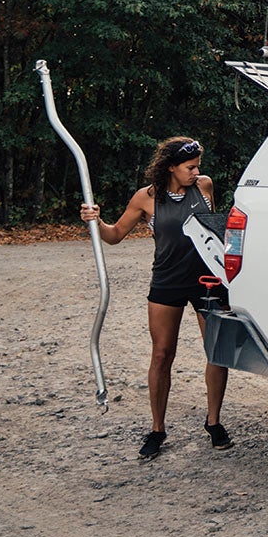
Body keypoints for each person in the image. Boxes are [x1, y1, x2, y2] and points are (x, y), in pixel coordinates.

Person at [80, 137, 232, 459]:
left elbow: (212, 234)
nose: (196, 171)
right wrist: (96, 221)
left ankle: (214, 422)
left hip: (208, 280)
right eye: (190, 167)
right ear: (171, 167)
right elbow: (115, 236)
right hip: (167, 281)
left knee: (217, 351)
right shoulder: (146, 198)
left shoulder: (204, 187)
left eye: (197, 166)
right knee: (162, 354)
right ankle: (157, 429)